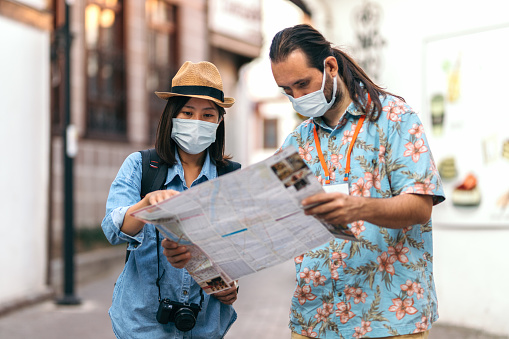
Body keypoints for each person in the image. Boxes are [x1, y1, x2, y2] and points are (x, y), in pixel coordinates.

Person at [269, 24, 445, 339]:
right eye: (286, 90)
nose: (296, 98)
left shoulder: (396, 118)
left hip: (388, 318)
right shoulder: (295, 142)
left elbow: (420, 206)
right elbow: (280, 219)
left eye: (302, 83)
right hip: (315, 318)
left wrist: (357, 208)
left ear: (330, 67)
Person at [101, 61, 239, 339]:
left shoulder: (231, 179)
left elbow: (236, 254)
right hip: (141, 326)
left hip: (205, 327)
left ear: (219, 121)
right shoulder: (141, 166)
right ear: (172, 116)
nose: (197, 122)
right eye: (187, 112)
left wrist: (228, 288)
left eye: (208, 115)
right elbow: (113, 231)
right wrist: (146, 205)